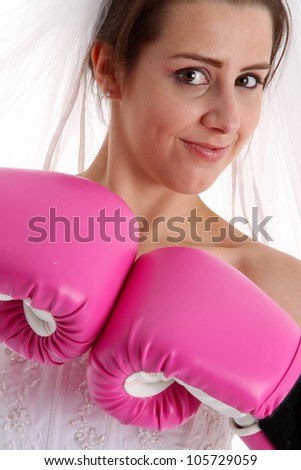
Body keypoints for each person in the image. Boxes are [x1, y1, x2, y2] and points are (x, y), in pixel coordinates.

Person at [0, 0, 300, 450]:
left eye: (247, 81)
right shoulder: (11, 225)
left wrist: (283, 413)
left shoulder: (276, 285)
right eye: (193, 75)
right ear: (108, 70)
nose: (227, 120)